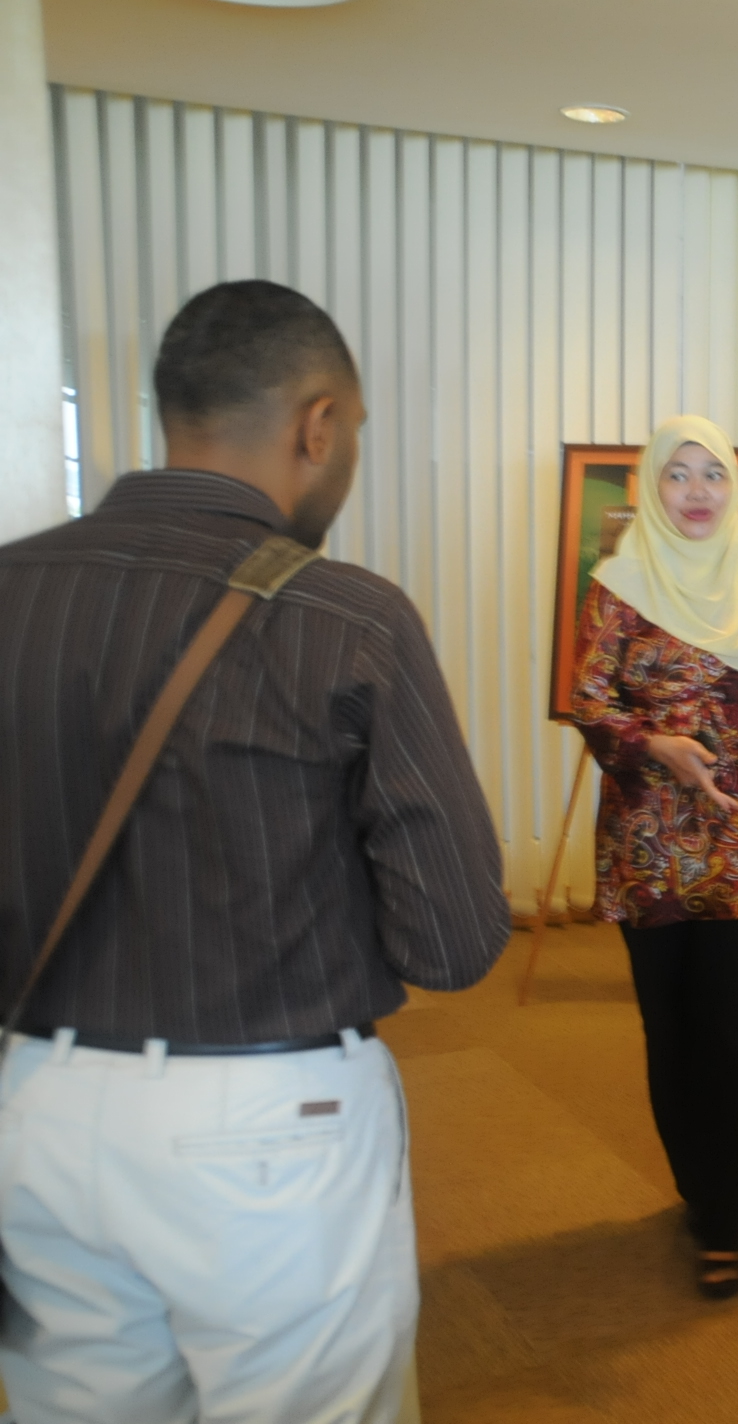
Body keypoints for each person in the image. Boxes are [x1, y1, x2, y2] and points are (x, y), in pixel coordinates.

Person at [0, 279, 509, 1421]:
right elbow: (455, 939)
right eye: (355, 434)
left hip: (32, 1105)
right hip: (273, 1128)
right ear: (317, 425)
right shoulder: (349, 616)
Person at [570, 415, 738, 1299]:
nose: (697, 492)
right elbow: (590, 701)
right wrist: (653, 745)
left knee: (727, 1031)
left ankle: (725, 1223)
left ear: (737, 487)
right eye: (679, 474)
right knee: (669, 1028)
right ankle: (696, 1183)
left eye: (713, 475)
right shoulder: (619, 586)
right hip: (648, 844)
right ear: (653, 486)